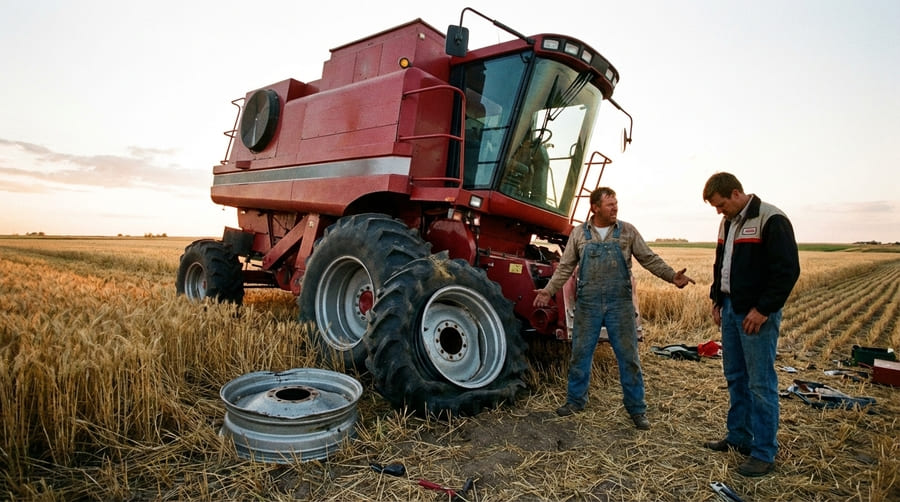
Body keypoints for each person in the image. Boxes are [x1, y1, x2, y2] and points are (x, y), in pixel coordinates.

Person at [533, 187, 695, 429]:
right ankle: (575, 401)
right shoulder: (579, 234)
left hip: (620, 304)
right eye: (610, 205)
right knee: (580, 355)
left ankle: (637, 410)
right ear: (595, 208)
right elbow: (565, 267)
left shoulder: (627, 232)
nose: (615, 209)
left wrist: (672, 276)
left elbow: (649, 259)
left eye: (616, 204)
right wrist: (547, 291)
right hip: (587, 305)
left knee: (629, 358)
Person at [701, 172, 800, 477]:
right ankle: (738, 437)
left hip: (756, 315)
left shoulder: (771, 219)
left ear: (735, 193)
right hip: (730, 309)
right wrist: (717, 299)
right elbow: (721, 265)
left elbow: (787, 271)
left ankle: (764, 451)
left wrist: (763, 309)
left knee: (760, 383)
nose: (719, 211)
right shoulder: (727, 223)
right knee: (735, 376)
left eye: (720, 205)